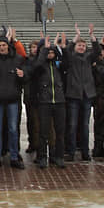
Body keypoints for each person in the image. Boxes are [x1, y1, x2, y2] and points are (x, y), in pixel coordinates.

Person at [0, 33, 26, 169]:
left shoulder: (17, 59)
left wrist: (22, 76)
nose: (1, 48)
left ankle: (14, 157)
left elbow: (25, 78)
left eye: (3, 45)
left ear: (8, 46)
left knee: (13, 129)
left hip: (12, 99)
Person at [32, 35, 67, 168]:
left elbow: (67, 63)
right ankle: (42, 157)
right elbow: (37, 66)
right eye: (48, 52)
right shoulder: (41, 66)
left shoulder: (59, 66)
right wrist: (44, 50)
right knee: (44, 132)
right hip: (44, 102)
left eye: (52, 52)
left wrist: (63, 48)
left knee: (59, 131)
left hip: (59, 101)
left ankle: (58, 156)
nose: (50, 54)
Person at [63, 24, 97, 162]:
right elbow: (66, 51)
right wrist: (75, 37)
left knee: (85, 125)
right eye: (79, 45)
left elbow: (96, 51)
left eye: (83, 46)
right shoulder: (71, 58)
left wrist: (91, 36)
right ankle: (70, 151)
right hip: (74, 95)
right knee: (72, 125)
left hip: (87, 95)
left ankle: (85, 151)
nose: (81, 47)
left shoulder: (89, 58)